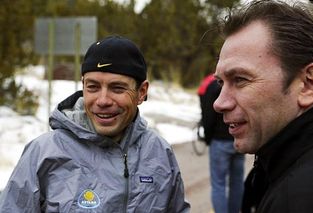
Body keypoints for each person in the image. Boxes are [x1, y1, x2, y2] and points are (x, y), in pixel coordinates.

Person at [0, 35, 190, 212]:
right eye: (93, 87)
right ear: (83, 86)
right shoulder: (43, 154)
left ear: (141, 92)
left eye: (117, 88)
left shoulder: (159, 153)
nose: (103, 100)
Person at [213, 0, 313, 212]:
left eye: (240, 79)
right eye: (220, 82)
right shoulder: (280, 170)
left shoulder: (299, 199)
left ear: (308, 84)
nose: (219, 103)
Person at [198, 75, 244, 213]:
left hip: (219, 141)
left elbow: (208, 116)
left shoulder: (213, 87)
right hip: (238, 139)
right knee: (237, 183)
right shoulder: (240, 84)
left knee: (218, 184)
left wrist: (207, 137)